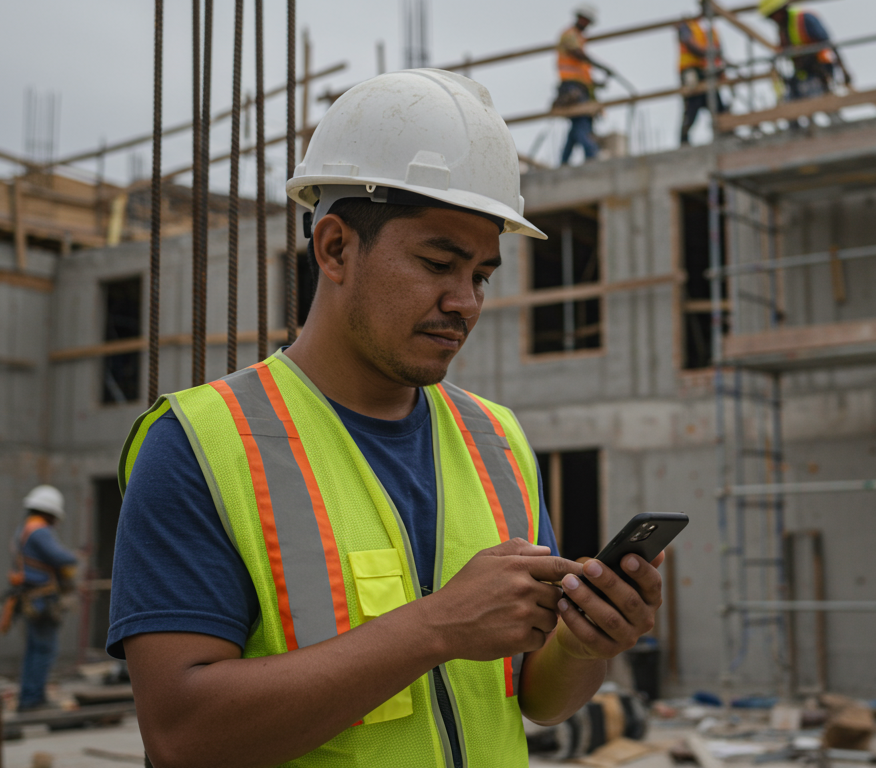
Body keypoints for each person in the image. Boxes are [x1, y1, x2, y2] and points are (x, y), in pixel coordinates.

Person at [110, 68, 663, 768]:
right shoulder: (198, 445)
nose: (465, 301)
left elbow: (536, 698)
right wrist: (435, 627)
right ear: (336, 248)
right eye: (439, 262)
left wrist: (585, 643)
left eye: (482, 276)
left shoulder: (498, 442)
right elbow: (182, 736)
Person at [8, 485, 77, 711]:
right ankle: (33, 699)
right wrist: (75, 557)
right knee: (44, 649)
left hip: (31, 597)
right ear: (49, 512)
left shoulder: (25, 528)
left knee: (34, 649)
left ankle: (28, 697)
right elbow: (58, 557)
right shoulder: (39, 530)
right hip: (41, 599)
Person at [760, 0, 853, 101]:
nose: (774, 20)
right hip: (802, 73)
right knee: (791, 100)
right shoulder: (783, 27)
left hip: (819, 68)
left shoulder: (804, 18)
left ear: (781, 10)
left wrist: (844, 70)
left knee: (818, 99)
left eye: (774, 15)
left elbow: (828, 44)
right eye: (771, 17)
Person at [556, 3, 611, 165]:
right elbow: (577, 54)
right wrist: (600, 65)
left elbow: (582, 68)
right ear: (579, 18)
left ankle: (564, 161)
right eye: (584, 20)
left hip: (580, 86)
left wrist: (595, 83)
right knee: (581, 120)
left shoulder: (579, 38)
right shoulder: (570, 34)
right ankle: (592, 153)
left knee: (578, 123)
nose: (586, 24)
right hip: (571, 86)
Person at [678, 0, 728, 146]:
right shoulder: (687, 25)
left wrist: (720, 68)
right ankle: (684, 141)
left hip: (707, 73)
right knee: (692, 105)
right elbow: (690, 44)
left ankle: (725, 134)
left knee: (717, 105)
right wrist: (709, 53)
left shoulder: (710, 31)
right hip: (691, 71)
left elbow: (719, 53)